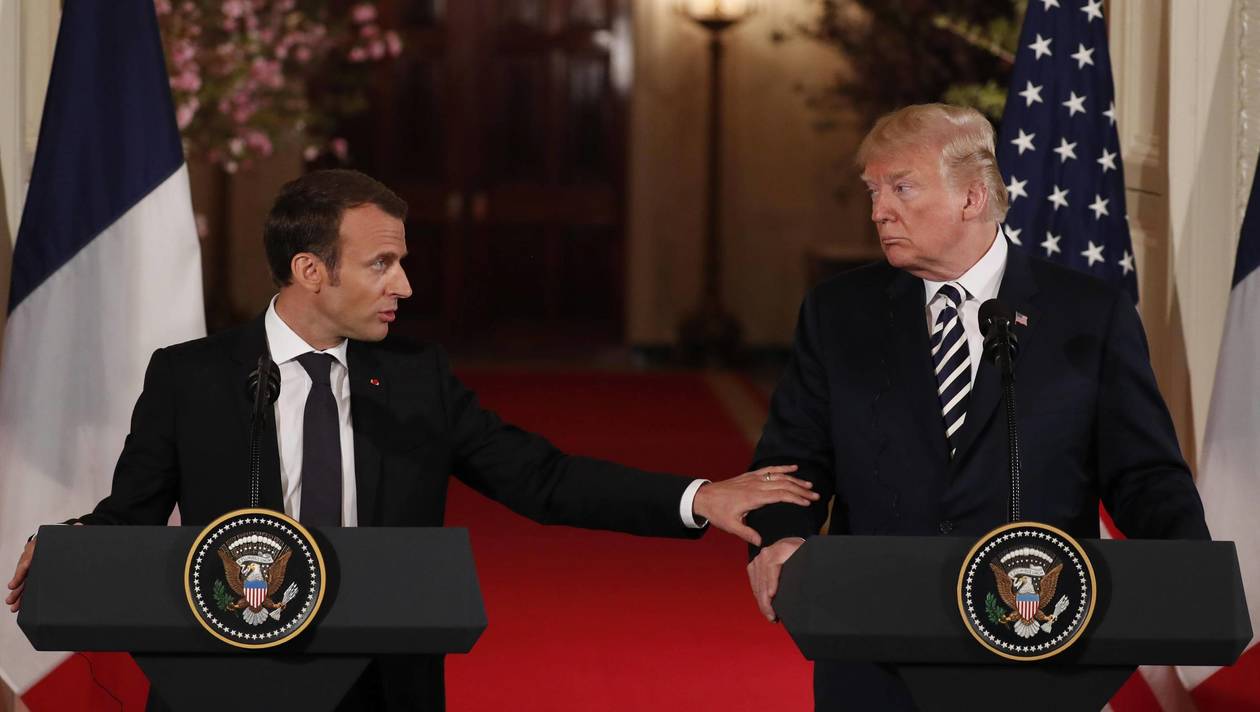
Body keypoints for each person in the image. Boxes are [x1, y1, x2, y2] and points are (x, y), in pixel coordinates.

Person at [6, 169, 819, 710]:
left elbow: (540, 477)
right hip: (225, 676)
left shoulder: (417, 377)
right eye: (383, 264)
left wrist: (698, 498)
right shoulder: (192, 376)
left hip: (380, 679)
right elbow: (133, 514)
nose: (406, 285)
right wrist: (76, 547)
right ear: (310, 271)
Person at [743, 103, 1209, 710]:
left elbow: (1143, 473)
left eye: (902, 188)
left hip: (1034, 641)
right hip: (874, 645)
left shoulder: (1087, 315)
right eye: (874, 191)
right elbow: (792, 460)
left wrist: (1190, 574)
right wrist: (778, 537)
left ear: (971, 197)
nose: (880, 211)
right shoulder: (839, 314)